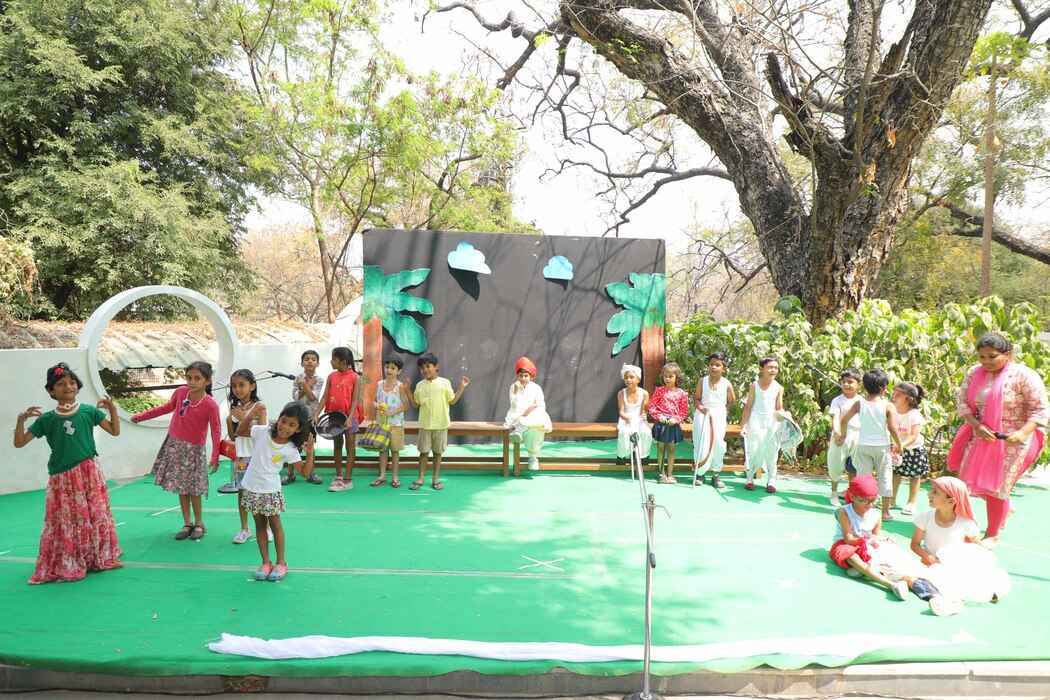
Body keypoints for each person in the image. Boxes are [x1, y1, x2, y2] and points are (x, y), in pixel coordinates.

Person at [12, 363, 123, 584]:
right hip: (63, 478)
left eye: (72, 382)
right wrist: (20, 421)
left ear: (77, 386)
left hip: (89, 473)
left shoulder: (89, 411)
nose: (68, 387)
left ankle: (96, 556)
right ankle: (70, 559)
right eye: (61, 384)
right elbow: (19, 442)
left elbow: (114, 430)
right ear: (51, 391)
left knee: (95, 514)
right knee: (67, 519)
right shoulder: (46, 419)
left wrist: (112, 410)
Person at [948, 332, 1049, 546]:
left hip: (1017, 439)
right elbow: (962, 404)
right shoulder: (974, 373)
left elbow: (1040, 409)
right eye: (982, 357)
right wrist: (977, 426)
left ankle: (992, 534)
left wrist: (1022, 433)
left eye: (992, 356)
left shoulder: (1024, 375)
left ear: (1008, 354)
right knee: (967, 481)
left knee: (998, 486)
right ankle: (987, 517)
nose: (986, 362)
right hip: (982, 435)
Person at [133, 361, 221, 541]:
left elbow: (216, 430)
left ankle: (199, 523)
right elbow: (166, 407)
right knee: (182, 487)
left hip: (194, 451)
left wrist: (215, 456)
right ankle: (187, 523)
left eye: (197, 378)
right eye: (189, 377)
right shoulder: (181, 392)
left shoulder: (210, 405)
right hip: (175, 446)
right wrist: (141, 417)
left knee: (194, 489)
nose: (192, 382)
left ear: (207, 381)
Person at [906, 476, 1010, 615]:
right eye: (931, 490)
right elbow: (915, 544)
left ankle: (953, 602)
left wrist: (983, 545)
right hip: (930, 564)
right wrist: (928, 557)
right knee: (918, 578)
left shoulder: (965, 523)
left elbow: (974, 546)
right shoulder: (925, 517)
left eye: (935, 492)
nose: (929, 494)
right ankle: (945, 600)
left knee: (967, 582)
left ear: (951, 501)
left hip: (954, 565)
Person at [240, 402, 311, 582]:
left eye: (291, 425)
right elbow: (240, 431)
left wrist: (310, 452)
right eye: (284, 421)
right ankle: (265, 562)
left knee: (275, 525)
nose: (285, 427)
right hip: (252, 487)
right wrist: (251, 413)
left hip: (271, 491)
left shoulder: (291, 449)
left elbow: (304, 473)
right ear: (279, 419)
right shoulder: (262, 432)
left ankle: (281, 563)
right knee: (259, 526)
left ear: (298, 429)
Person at [828, 475, 909, 601]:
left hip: (865, 546)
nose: (869, 505)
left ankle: (862, 570)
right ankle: (890, 584)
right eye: (864, 501)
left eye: (873, 500)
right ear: (852, 497)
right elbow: (848, 539)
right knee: (849, 554)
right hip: (845, 544)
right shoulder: (844, 512)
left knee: (887, 549)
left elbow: (875, 536)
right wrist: (867, 540)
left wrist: (881, 540)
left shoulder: (876, 514)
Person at [839, 369, 902, 520]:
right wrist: (899, 444)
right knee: (885, 477)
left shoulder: (859, 403)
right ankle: (885, 512)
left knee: (863, 478)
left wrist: (843, 435)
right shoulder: (888, 406)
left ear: (864, 386)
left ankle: (860, 511)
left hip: (863, 446)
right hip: (882, 447)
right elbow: (892, 428)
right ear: (883, 388)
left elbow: (844, 420)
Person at [409, 353, 469, 490]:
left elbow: (452, 400)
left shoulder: (445, 383)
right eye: (422, 368)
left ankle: (435, 479)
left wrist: (462, 387)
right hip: (425, 425)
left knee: (437, 453)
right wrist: (407, 390)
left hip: (441, 425)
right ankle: (420, 478)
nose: (425, 370)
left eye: (428, 366)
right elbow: (415, 404)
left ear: (436, 367)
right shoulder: (419, 385)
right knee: (423, 453)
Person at [315, 347, 363, 492]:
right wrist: (316, 413)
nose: (331, 362)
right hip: (334, 416)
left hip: (350, 417)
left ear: (343, 361)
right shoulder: (331, 376)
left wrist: (350, 418)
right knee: (337, 445)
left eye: (334, 359)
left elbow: (355, 400)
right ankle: (339, 476)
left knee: (350, 447)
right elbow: (325, 396)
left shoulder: (355, 377)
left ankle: (348, 479)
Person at [227, 369, 266, 545]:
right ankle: (245, 529)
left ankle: (265, 528)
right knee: (242, 493)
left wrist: (244, 418)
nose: (237, 389)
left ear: (252, 386)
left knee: (260, 493)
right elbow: (233, 436)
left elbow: (262, 434)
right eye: (234, 386)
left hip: (257, 457)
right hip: (241, 457)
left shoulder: (259, 407)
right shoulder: (234, 408)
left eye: (241, 385)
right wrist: (229, 420)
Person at [740, 357, 784, 493]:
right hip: (755, 421)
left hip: (772, 423)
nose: (773, 370)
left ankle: (771, 481)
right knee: (753, 449)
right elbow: (748, 406)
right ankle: (749, 478)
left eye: (775, 368)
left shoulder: (779, 387)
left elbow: (779, 407)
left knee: (772, 452)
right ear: (761, 369)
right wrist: (743, 426)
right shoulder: (754, 385)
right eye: (770, 367)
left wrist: (784, 416)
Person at [692, 352, 735, 489]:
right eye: (711, 364)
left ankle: (716, 474)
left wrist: (723, 411)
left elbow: (731, 401)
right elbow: (696, 399)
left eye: (717, 365)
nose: (714, 367)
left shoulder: (727, 384)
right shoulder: (702, 381)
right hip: (702, 414)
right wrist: (702, 408)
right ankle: (700, 473)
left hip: (719, 416)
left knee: (718, 444)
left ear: (724, 368)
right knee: (701, 444)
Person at [503, 356, 553, 472]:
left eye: (526, 376)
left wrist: (530, 411)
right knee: (530, 425)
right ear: (517, 376)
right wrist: (516, 392)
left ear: (531, 376)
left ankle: (532, 457)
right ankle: (532, 456)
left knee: (536, 427)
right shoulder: (513, 387)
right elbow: (514, 406)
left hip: (534, 417)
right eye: (520, 376)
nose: (523, 378)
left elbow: (541, 406)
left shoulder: (537, 388)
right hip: (518, 416)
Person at [370, 356, 411, 488]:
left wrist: (392, 412)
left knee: (395, 451)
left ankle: (395, 477)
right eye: (387, 367)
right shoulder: (379, 384)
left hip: (396, 424)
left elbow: (406, 405)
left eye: (393, 368)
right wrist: (376, 405)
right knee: (382, 450)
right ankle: (382, 476)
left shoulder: (400, 386)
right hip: (381, 423)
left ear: (399, 371)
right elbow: (374, 400)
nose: (389, 370)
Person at [648, 362, 690, 484]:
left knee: (671, 449)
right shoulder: (659, 391)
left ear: (677, 377)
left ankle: (670, 474)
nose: (667, 379)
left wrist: (676, 419)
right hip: (661, 423)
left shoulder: (682, 393)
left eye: (670, 376)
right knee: (661, 448)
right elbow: (652, 406)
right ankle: (662, 474)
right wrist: (659, 416)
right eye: (665, 376)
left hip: (673, 424)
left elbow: (683, 411)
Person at [891, 382, 928, 516]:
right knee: (895, 474)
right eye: (894, 392)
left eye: (898, 394)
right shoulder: (893, 411)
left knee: (914, 476)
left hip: (913, 450)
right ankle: (891, 500)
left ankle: (911, 503)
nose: (894, 396)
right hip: (897, 449)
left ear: (909, 399)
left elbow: (913, 435)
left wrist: (901, 445)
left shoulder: (914, 414)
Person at [288, 349, 324, 485]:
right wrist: (307, 385)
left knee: (310, 445)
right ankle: (290, 474)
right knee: (293, 445)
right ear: (302, 363)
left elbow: (313, 397)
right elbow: (296, 397)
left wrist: (304, 386)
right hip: (296, 417)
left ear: (317, 363)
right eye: (307, 359)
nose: (310, 361)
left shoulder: (319, 379)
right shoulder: (298, 378)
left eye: (313, 359)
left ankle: (311, 473)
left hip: (310, 417)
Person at [827, 368, 861, 506]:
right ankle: (834, 493)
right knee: (835, 465)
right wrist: (837, 433)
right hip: (840, 436)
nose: (846, 384)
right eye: (843, 382)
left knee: (855, 467)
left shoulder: (862, 401)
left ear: (858, 384)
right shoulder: (837, 400)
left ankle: (852, 494)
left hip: (857, 436)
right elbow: (835, 418)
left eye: (850, 382)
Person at [616, 364, 651, 467]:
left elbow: (643, 411)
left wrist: (643, 417)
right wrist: (627, 417)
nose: (628, 380)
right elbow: (621, 412)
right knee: (624, 433)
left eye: (631, 377)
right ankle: (622, 457)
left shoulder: (644, 393)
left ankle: (643, 457)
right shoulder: (621, 393)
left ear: (638, 379)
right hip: (625, 418)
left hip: (639, 419)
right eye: (626, 377)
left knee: (646, 432)